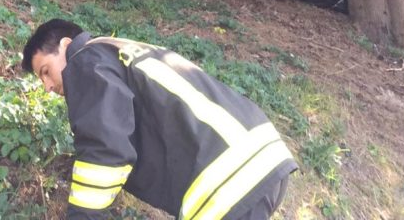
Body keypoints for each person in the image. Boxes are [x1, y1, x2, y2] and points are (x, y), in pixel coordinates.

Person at [22, 19, 296, 220]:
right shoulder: (119, 50)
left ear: (67, 45)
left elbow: (104, 148)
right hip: (262, 159)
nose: (47, 85)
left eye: (46, 70)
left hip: (227, 184)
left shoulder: (84, 61)